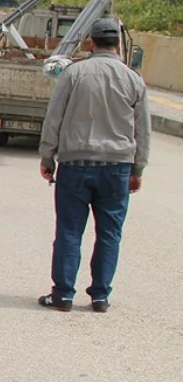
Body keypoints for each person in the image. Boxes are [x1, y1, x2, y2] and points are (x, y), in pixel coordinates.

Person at [37, 18, 151, 313]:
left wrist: (47, 157)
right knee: (110, 233)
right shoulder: (133, 79)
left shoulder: (73, 74)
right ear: (118, 45)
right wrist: (138, 170)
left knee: (69, 231)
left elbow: (54, 118)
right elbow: (143, 131)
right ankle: (100, 296)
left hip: (75, 164)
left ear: (91, 43)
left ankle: (62, 294)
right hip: (117, 168)